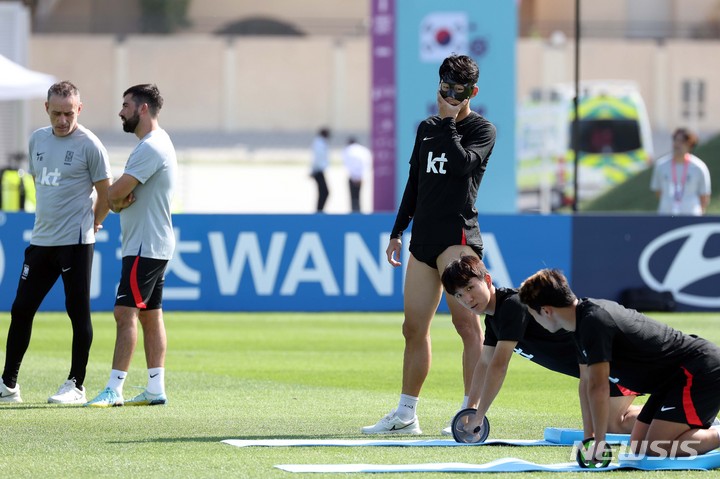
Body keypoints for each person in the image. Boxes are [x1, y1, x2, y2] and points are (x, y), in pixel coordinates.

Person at [362, 54, 496, 435]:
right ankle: (406, 415)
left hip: (457, 238)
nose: (450, 95)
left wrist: (449, 124)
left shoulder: (482, 130)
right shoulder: (426, 128)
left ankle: (471, 412)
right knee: (412, 327)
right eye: (445, 86)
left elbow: (460, 165)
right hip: (424, 238)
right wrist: (396, 231)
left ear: (473, 91)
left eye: (459, 89)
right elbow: (415, 183)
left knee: (467, 325)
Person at [518, 269, 720, 460]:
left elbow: (599, 388)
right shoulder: (581, 324)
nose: (536, 321)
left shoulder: (594, 321)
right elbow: (587, 385)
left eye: (533, 315)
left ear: (546, 311)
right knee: (639, 446)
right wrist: (589, 438)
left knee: (656, 447)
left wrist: (599, 442)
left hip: (699, 370)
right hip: (673, 380)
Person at [441, 256, 640, 438]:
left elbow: (498, 366)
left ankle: (667, 410)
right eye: (458, 295)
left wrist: (479, 416)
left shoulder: (512, 305)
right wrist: (469, 409)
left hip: (613, 361)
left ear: (487, 280)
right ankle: (663, 409)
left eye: (469, 288)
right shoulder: (493, 318)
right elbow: (484, 363)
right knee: (610, 423)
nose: (467, 299)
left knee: (613, 426)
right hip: (598, 367)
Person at [0, 81, 112, 404]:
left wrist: (94, 220)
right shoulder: (37, 139)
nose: (63, 120)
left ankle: (76, 384)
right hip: (41, 240)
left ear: (79, 109)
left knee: (78, 313)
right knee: (21, 309)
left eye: (69, 113)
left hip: (75, 243)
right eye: (57, 113)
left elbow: (106, 193)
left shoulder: (90, 145)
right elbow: (39, 182)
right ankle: (8, 385)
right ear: (46, 109)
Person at [85, 84, 176, 407]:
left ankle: (114, 388)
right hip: (151, 243)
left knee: (125, 313)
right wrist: (119, 200)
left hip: (144, 245)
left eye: (126, 105)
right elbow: (119, 196)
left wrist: (116, 199)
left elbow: (114, 193)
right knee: (151, 315)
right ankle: (155, 388)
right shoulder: (154, 144)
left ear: (143, 109)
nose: (120, 111)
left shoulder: (151, 147)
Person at [650, 127, 711, 216]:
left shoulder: (699, 167)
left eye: (682, 141)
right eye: (676, 140)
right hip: (665, 215)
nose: (678, 144)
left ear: (690, 145)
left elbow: (704, 196)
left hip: (691, 216)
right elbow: (658, 192)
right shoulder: (661, 165)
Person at [341, 137, 371, 213]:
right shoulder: (363, 150)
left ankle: (354, 212)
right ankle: (358, 211)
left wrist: (354, 176)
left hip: (352, 176)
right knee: (358, 195)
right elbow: (367, 163)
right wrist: (362, 176)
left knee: (353, 196)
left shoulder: (347, 150)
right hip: (361, 177)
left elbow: (347, 164)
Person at [310, 127, 331, 212]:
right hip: (318, 170)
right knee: (324, 191)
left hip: (319, 169)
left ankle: (319, 210)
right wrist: (313, 170)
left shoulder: (321, 142)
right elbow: (317, 158)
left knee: (323, 192)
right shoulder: (319, 143)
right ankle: (319, 210)